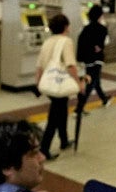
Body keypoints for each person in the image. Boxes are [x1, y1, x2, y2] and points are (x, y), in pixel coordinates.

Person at [35, 13, 84, 160]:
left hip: (48, 82)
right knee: (55, 116)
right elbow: (70, 65)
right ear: (65, 27)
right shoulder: (66, 41)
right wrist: (79, 83)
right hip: (59, 83)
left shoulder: (47, 42)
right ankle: (44, 149)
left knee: (61, 110)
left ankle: (63, 140)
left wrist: (38, 82)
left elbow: (39, 65)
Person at [76, 4, 110, 113]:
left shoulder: (85, 29)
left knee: (95, 80)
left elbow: (81, 43)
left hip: (87, 59)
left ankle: (104, 99)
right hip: (97, 59)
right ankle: (79, 108)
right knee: (91, 82)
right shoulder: (102, 29)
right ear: (100, 15)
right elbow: (100, 47)